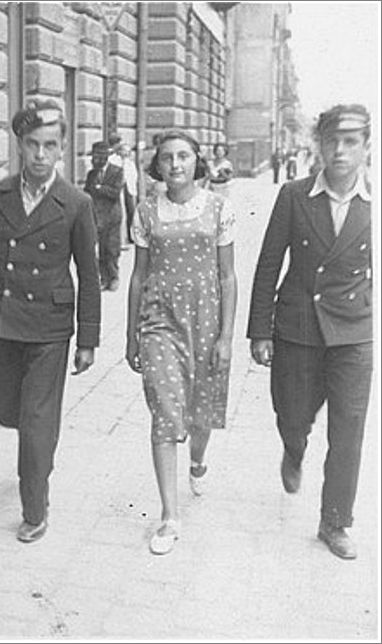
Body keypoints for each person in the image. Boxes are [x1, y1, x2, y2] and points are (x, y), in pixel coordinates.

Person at [0, 99, 101, 543]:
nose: (41, 155)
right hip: (1, 322)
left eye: (50, 146)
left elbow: (90, 274)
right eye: (33, 145)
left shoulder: (76, 203)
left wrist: (88, 339)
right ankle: (37, 454)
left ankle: (34, 507)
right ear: (20, 146)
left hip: (49, 326)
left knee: (37, 423)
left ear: (62, 150)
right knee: (11, 412)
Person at [246, 104, 372, 560]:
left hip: (354, 332)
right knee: (293, 415)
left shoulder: (373, 201)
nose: (340, 151)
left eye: (351, 141)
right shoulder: (294, 195)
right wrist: (260, 329)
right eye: (332, 141)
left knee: (349, 429)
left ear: (366, 146)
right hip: (298, 324)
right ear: (319, 145)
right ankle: (293, 448)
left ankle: (335, 521)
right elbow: (268, 264)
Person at [126, 130, 238, 555]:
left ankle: (197, 460)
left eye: (184, 157)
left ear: (197, 162)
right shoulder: (146, 212)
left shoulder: (218, 208)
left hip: (206, 320)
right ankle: (170, 515)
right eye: (167, 158)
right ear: (158, 165)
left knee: (200, 414)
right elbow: (138, 275)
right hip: (159, 322)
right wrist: (131, 334)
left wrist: (227, 336)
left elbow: (227, 276)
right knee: (165, 412)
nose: (175, 164)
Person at [84, 141, 124, 291]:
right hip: (96, 215)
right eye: (94, 158)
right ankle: (103, 278)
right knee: (100, 248)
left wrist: (100, 188)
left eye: (98, 157)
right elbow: (87, 193)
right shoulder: (91, 174)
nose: (95, 161)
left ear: (105, 158)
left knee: (112, 248)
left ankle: (114, 277)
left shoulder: (117, 171)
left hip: (112, 216)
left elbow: (115, 193)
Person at [118, 143, 138, 245]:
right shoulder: (116, 162)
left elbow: (134, 177)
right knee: (122, 213)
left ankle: (131, 237)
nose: (125, 153)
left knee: (132, 212)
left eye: (127, 151)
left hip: (130, 189)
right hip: (120, 190)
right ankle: (123, 238)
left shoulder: (131, 164)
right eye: (123, 150)